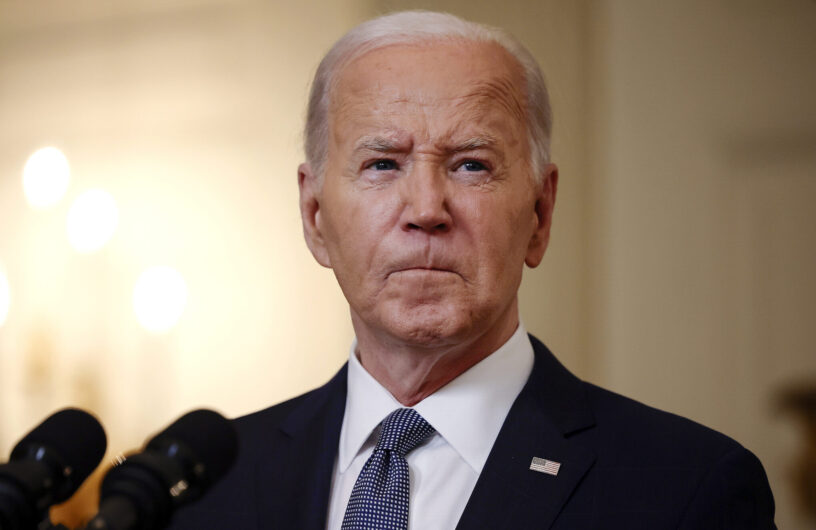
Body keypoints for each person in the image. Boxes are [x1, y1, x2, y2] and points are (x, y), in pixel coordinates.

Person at [169, 10, 776, 529]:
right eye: (382, 163)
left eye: (471, 166)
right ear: (314, 214)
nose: (427, 210)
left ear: (539, 213)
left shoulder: (687, 491)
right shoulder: (198, 491)